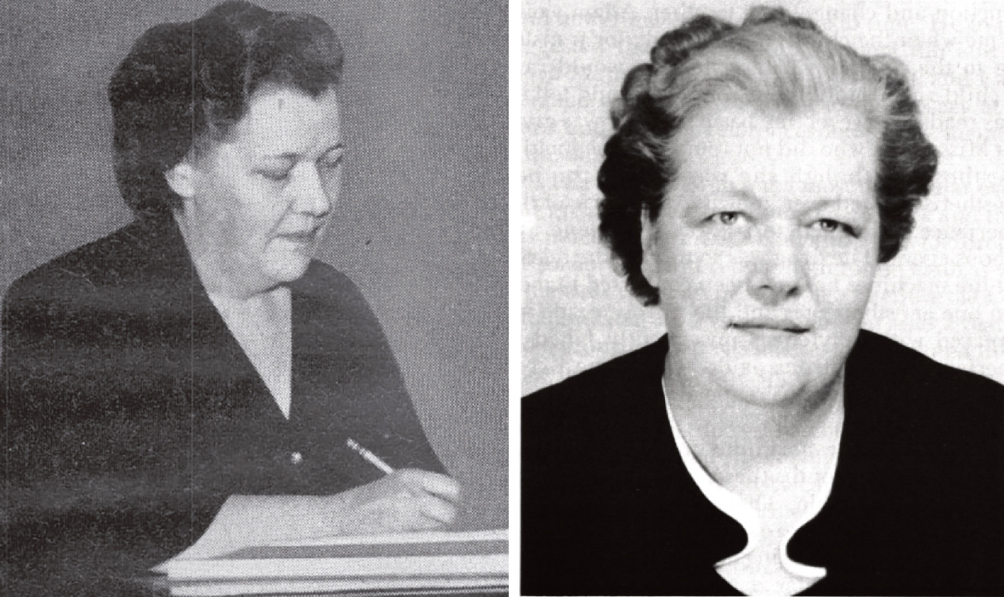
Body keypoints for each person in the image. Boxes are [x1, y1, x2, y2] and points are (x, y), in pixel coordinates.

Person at [522, 6, 1004, 596]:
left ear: (882, 241)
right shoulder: (539, 470)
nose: (780, 275)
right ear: (650, 238)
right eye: (729, 218)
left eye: (829, 224)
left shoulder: (987, 456)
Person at [1, 2, 459, 594]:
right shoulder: (69, 307)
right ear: (181, 169)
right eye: (278, 171)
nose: (317, 199)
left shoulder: (332, 302)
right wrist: (337, 516)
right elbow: (94, 526)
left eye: (331, 164)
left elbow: (412, 486)